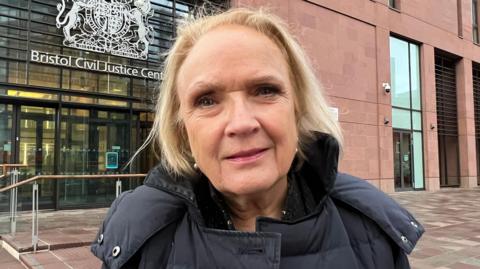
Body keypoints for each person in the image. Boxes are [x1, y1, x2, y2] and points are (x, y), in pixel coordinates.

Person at [91, 8, 424, 269]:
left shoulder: (372, 231)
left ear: (298, 109)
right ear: (182, 130)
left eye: (265, 90)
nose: (240, 123)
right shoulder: (141, 237)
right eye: (207, 100)